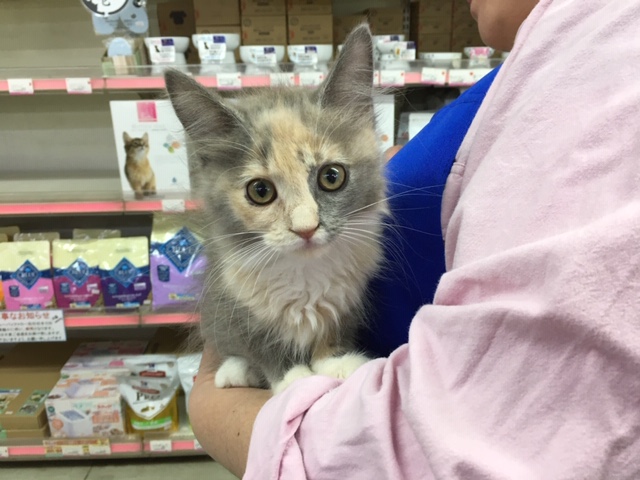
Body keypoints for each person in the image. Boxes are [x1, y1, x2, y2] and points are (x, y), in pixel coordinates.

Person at [190, 0, 640, 478]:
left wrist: (210, 408)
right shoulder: (531, 64)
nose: (305, 222)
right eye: (262, 191)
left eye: (330, 178)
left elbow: (453, 449)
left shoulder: (609, 61)